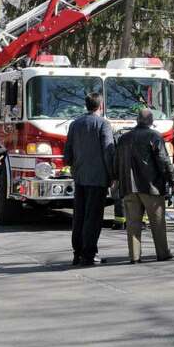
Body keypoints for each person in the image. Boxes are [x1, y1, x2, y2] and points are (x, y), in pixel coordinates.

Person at [113, 108, 174, 263]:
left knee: (133, 225)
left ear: (137, 120)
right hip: (151, 187)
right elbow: (163, 161)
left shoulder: (123, 139)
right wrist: (173, 181)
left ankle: (134, 256)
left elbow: (116, 163)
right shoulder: (154, 136)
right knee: (158, 224)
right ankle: (162, 253)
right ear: (151, 121)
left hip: (129, 187)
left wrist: (116, 179)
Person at [64, 92, 115, 267]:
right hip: (97, 178)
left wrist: (71, 165)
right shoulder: (103, 124)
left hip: (80, 176)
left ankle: (77, 252)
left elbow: (68, 151)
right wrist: (112, 175)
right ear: (101, 106)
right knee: (93, 217)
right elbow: (108, 151)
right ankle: (88, 254)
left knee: (79, 215)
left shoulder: (75, 124)